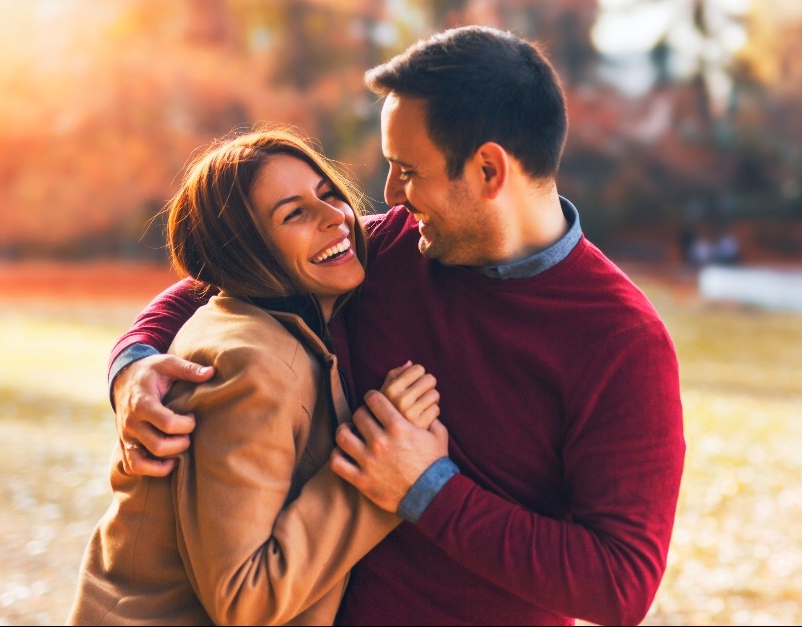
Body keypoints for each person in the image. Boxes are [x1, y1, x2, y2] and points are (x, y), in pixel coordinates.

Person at [107, 26, 685, 625]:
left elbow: (621, 584)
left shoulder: (620, 342)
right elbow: (224, 278)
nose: (388, 195)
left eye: (407, 170)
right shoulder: (389, 249)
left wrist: (426, 488)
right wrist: (133, 366)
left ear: (489, 170)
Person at [69, 128, 442, 625]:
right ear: (243, 252)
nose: (336, 217)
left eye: (328, 194)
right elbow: (243, 599)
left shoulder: (273, 326)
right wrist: (379, 474)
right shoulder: (251, 366)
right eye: (294, 214)